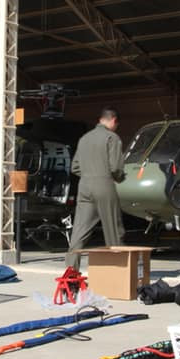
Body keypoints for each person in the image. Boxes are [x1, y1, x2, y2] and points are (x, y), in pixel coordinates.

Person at [64, 107, 126, 271]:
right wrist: (120, 178)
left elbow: (75, 167)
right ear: (113, 120)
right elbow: (115, 168)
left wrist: (88, 174)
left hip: (84, 186)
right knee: (113, 231)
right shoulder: (112, 138)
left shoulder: (84, 138)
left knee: (79, 232)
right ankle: (118, 272)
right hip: (104, 184)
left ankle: (70, 274)